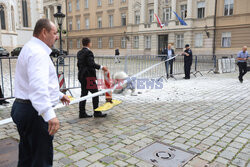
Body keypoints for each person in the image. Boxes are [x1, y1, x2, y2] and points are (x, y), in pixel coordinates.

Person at [11, 18, 70, 167]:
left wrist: (58, 95)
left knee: (27, 155)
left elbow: (37, 82)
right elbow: (37, 88)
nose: (57, 36)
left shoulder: (30, 47)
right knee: (41, 159)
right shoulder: (38, 53)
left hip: (24, 108)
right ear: (44, 32)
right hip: (35, 113)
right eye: (54, 33)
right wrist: (49, 114)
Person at [77, 37, 108, 118]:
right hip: (89, 77)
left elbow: (79, 65)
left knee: (83, 95)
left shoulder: (79, 53)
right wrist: (101, 67)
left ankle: (82, 113)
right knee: (95, 94)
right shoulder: (89, 52)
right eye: (90, 42)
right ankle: (97, 112)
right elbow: (91, 64)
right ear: (88, 43)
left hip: (82, 76)